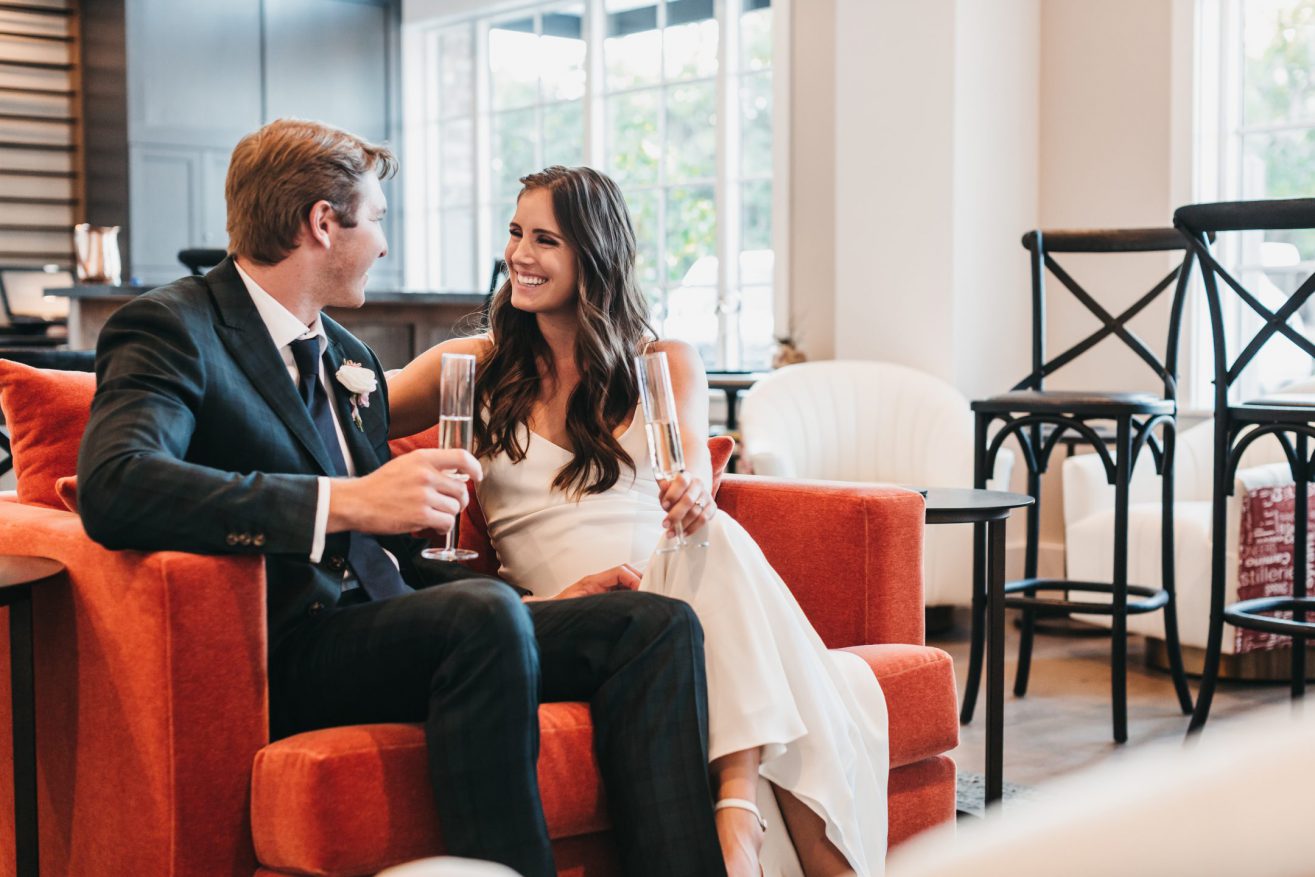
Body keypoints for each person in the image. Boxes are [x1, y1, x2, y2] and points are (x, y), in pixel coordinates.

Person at [76, 120, 727, 877]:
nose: (383, 244)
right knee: (478, 613)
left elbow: (411, 561)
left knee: (652, 624)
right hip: (293, 642)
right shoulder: (174, 327)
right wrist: (343, 503)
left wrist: (531, 603)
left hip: (407, 624)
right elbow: (116, 483)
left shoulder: (346, 357)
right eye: (377, 218)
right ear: (324, 223)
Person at [389, 166, 890, 877]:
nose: (519, 256)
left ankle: (736, 807)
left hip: (671, 583)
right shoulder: (474, 366)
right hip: (577, 617)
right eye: (515, 233)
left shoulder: (663, 361)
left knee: (708, 537)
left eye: (545, 240)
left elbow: (684, 466)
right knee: (743, 601)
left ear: (593, 254)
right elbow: (342, 404)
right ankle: (753, 826)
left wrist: (692, 496)